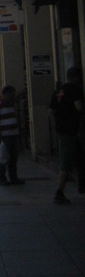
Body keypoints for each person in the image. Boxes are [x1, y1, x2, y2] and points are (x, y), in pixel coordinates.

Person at [50, 68, 84, 204]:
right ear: (76, 77)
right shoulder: (75, 90)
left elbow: (50, 111)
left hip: (62, 130)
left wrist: (56, 126)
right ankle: (59, 191)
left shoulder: (58, 91)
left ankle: (82, 184)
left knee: (79, 156)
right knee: (65, 161)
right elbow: (79, 106)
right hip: (71, 130)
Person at [0, 85, 23, 185]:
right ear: (6, 94)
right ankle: (2, 178)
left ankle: (13, 177)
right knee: (3, 157)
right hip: (4, 136)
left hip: (14, 134)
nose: (13, 97)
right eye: (11, 95)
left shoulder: (10, 104)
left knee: (13, 158)